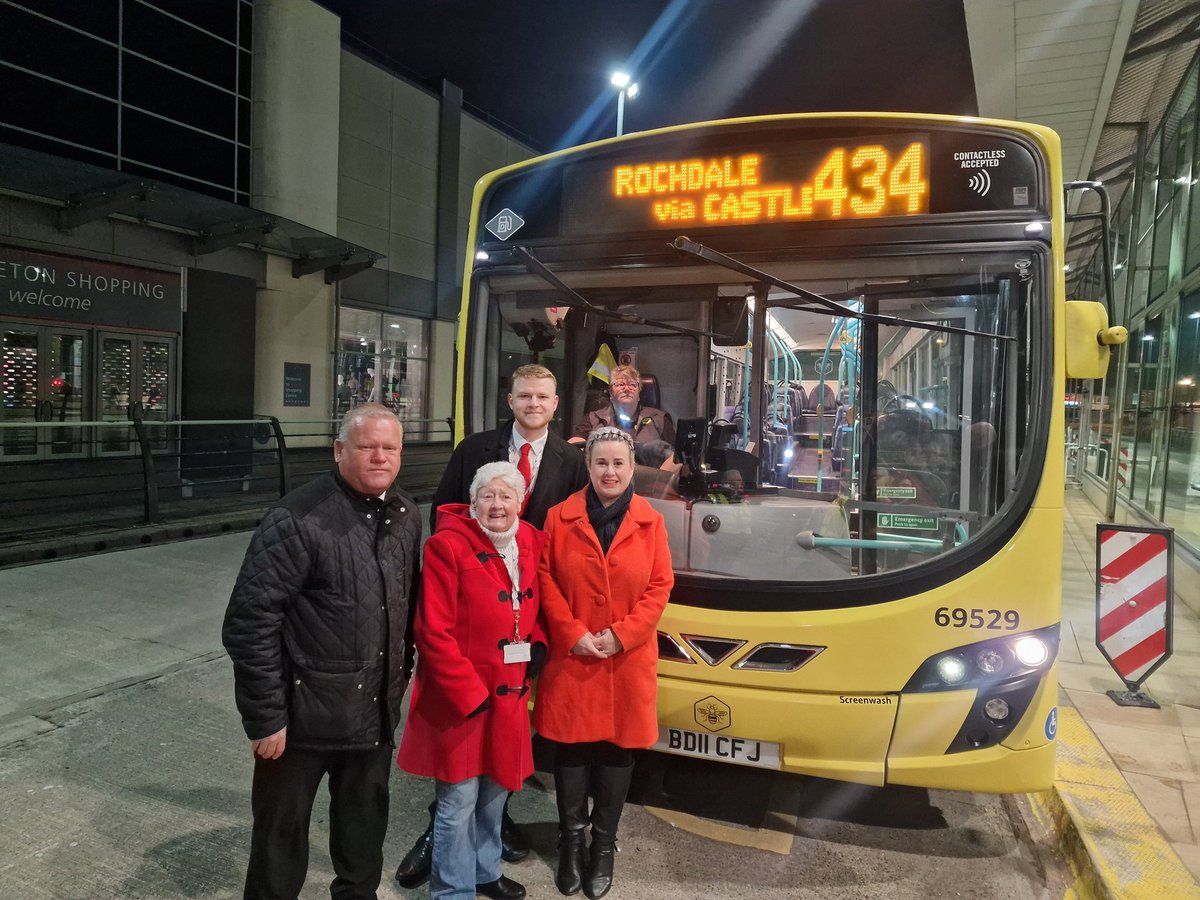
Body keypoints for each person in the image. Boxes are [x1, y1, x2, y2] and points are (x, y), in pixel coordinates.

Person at [396, 363, 588, 889]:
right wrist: (464, 554)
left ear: (554, 403)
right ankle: (448, 869)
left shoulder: (571, 465)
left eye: (542, 396)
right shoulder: (475, 452)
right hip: (470, 670)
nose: (532, 403)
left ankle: (480, 870)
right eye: (523, 395)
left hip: (514, 668)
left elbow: (565, 547)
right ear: (510, 400)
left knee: (497, 785)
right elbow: (445, 514)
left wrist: (543, 646)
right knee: (457, 792)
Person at [222, 403, 421, 900]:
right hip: (300, 722)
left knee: (362, 838)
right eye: (367, 446)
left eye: (390, 447)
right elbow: (250, 622)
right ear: (339, 451)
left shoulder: (406, 513)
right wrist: (266, 717)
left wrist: (400, 679)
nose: (380, 456)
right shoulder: (296, 518)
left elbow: (405, 606)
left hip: (371, 716)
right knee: (279, 842)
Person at [397, 462, 547, 900]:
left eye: (506, 496)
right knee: (457, 803)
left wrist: (537, 642)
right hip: (463, 697)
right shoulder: (447, 547)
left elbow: (534, 606)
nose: (497, 504)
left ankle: (484, 873)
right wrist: (468, 692)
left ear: (520, 501)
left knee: (495, 795)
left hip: (511, 691)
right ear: (473, 501)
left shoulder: (530, 541)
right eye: (488, 495)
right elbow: (432, 631)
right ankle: (452, 890)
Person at [535, 426, 674, 899]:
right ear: (588, 467)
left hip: (626, 660)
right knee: (571, 751)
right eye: (601, 463)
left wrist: (622, 636)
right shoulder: (558, 517)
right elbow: (545, 577)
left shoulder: (651, 521)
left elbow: (660, 587)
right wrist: (572, 634)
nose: (610, 471)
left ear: (632, 468)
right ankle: (571, 842)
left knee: (617, 751)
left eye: (618, 463)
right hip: (573, 657)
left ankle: (604, 846)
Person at [571, 364, 675, 446]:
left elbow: (676, 457)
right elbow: (575, 445)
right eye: (620, 384)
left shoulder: (660, 419)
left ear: (639, 394)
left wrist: (658, 473)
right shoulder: (593, 419)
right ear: (611, 394)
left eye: (632, 384)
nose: (626, 388)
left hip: (649, 472)